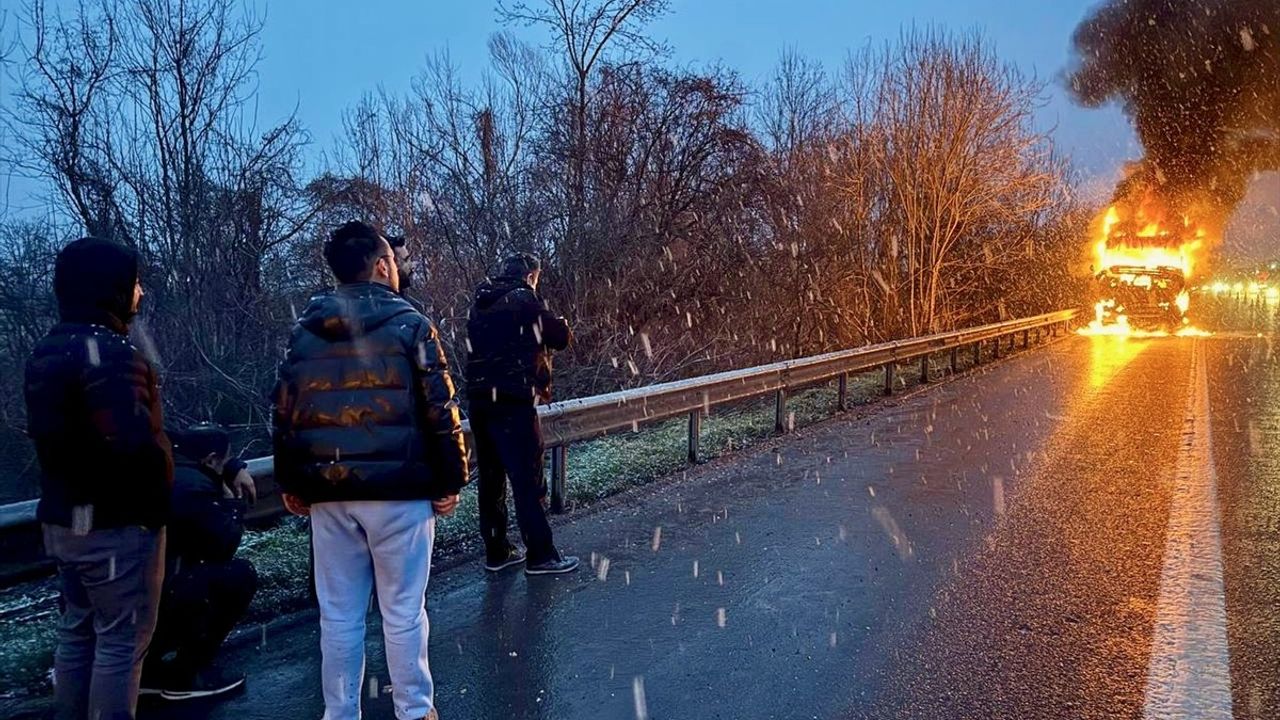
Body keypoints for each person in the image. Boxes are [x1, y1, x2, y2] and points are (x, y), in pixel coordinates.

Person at [271, 220, 468, 720]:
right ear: (383, 265)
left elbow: (285, 411)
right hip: (400, 490)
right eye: (395, 262)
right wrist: (451, 480)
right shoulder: (411, 325)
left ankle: (340, 714)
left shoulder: (305, 331)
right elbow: (440, 411)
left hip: (329, 493)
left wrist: (292, 482)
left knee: (338, 616)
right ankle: (414, 710)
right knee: (402, 612)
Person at [25, 237, 173, 720]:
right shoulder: (111, 353)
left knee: (78, 631)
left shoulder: (47, 349)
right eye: (133, 283)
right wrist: (157, 504)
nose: (140, 292)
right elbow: (133, 445)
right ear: (111, 288)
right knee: (122, 642)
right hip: (116, 523)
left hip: (66, 518)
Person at [466, 253, 579, 575]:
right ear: (531, 275)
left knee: (491, 479)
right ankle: (541, 555)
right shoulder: (525, 300)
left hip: (479, 399)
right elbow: (558, 337)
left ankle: (497, 550)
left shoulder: (479, 303)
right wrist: (561, 323)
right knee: (527, 479)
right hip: (513, 398)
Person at [140, 423, 258, 701]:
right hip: (161, 594)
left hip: (127, 588)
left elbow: (173, 434)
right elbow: (221, 546)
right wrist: (231, 503)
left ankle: (146, 667)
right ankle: (188, 672)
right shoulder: (195, 488)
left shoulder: (169, 466)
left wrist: (231, 467)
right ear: (211, 459)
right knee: (238, 577)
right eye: (225, 460)